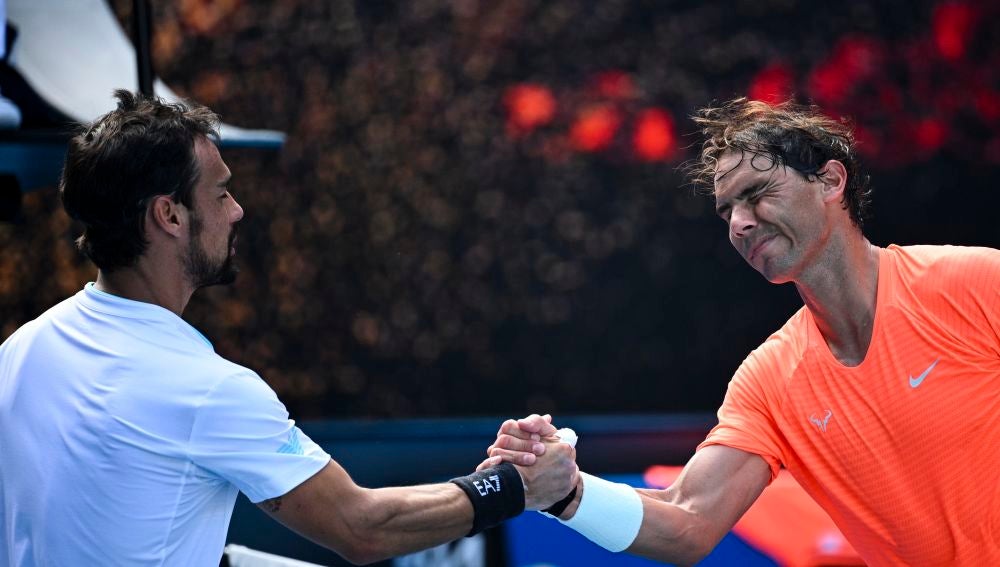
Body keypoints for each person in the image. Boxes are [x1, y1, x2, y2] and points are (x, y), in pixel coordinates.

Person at [0, 90, 578, 566]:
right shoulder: (207, 388)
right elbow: (362, 527)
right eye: (221, 192)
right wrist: (518, 488)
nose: (237, 210)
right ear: (168, 215)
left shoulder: (21, 350)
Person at [488, 97, 1000, 566]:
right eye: (726, 210)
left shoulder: (973, 284)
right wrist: (567, 493)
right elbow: (687, 521)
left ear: (830, 181)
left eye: (755, 194)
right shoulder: (769, 380)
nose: (738, 223)